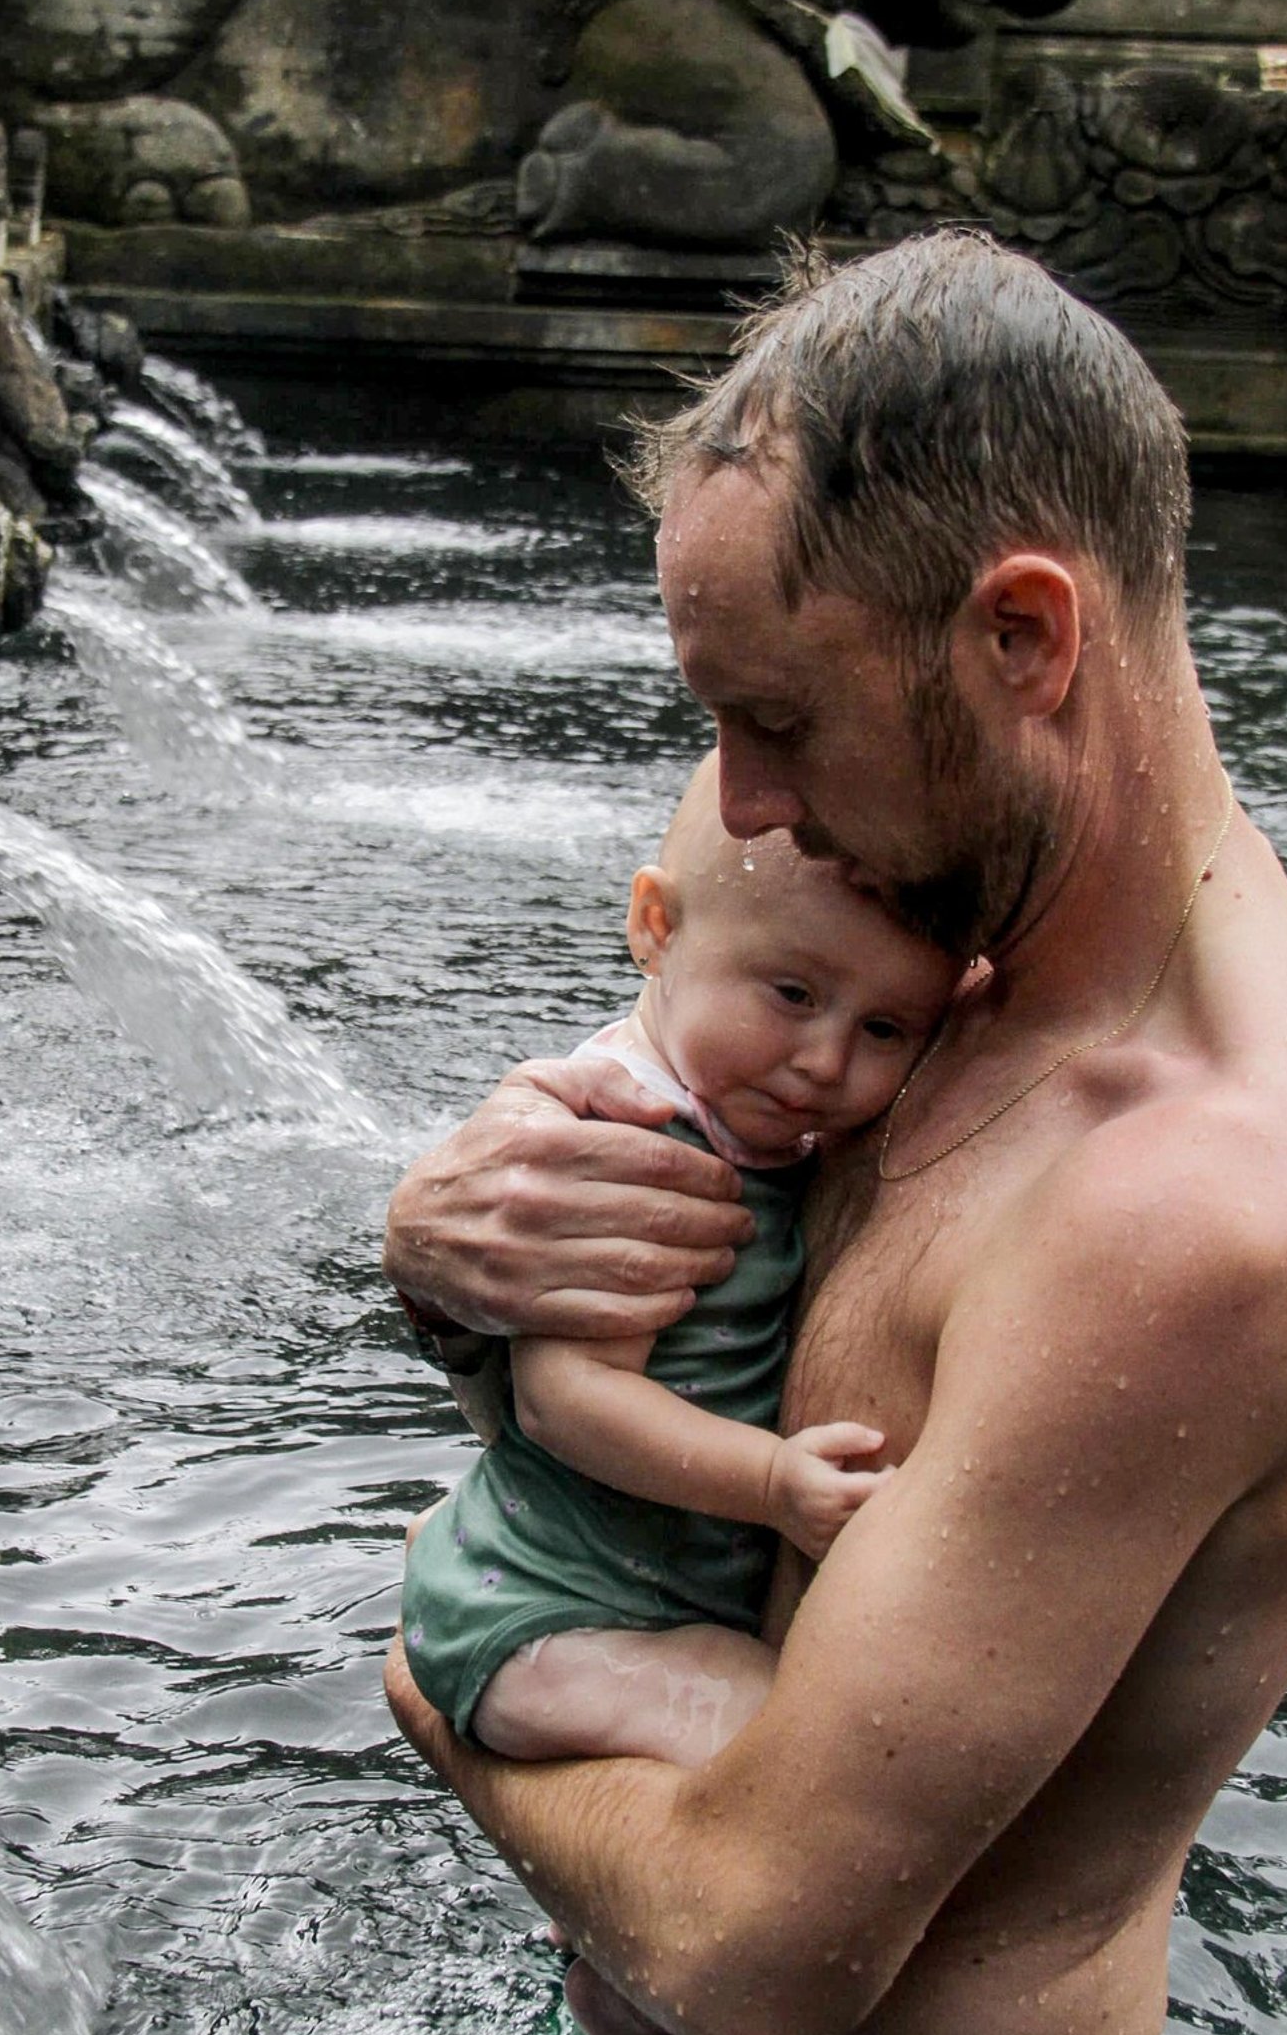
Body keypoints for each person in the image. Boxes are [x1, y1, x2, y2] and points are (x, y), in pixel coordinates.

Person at [381, 232, 1287, 2035]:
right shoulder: (930, 946)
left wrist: (429, 1688)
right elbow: (690, 1342)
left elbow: (774, 1950)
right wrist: (445, 1270)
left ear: (1022, 632)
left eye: (775, 719)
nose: (747, 803)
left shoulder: (1201, 1195)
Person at [401, 751, 960, 1770]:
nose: (827, 1061)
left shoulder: (752, 1120)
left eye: (885, 1027)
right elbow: (563, 1401)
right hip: (543, 1620)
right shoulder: (635, 1150)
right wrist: (775, 1481)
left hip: (628, 1597)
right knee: (782, 1749)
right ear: (655, 927)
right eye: (792, 992)